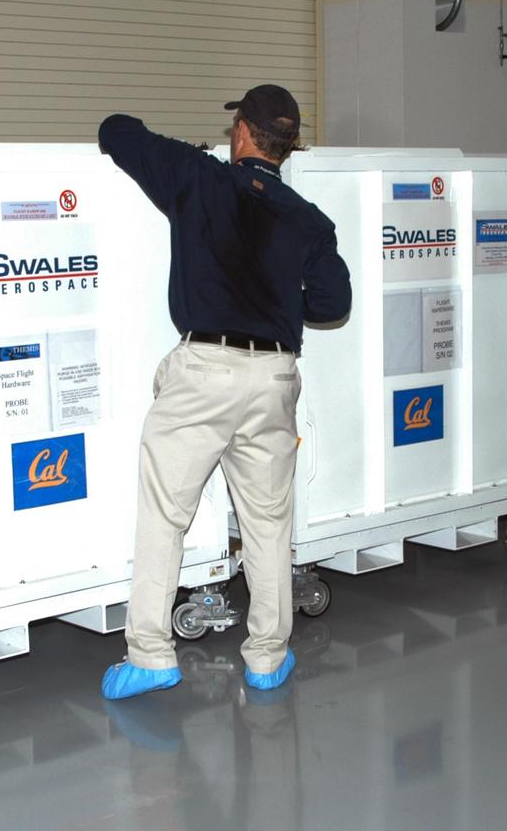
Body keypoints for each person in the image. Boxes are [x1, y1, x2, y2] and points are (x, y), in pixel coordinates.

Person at [98, 84, 352, 699]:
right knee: (268, 524)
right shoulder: (309, 221)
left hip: (204, 372)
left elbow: (116, 129)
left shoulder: (196, 179)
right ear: (287, 149)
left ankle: (152, 655)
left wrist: (188, 155)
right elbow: (332, 305)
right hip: (274, 379)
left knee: (166, 515)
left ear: (240, 131)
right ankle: (267, 658)